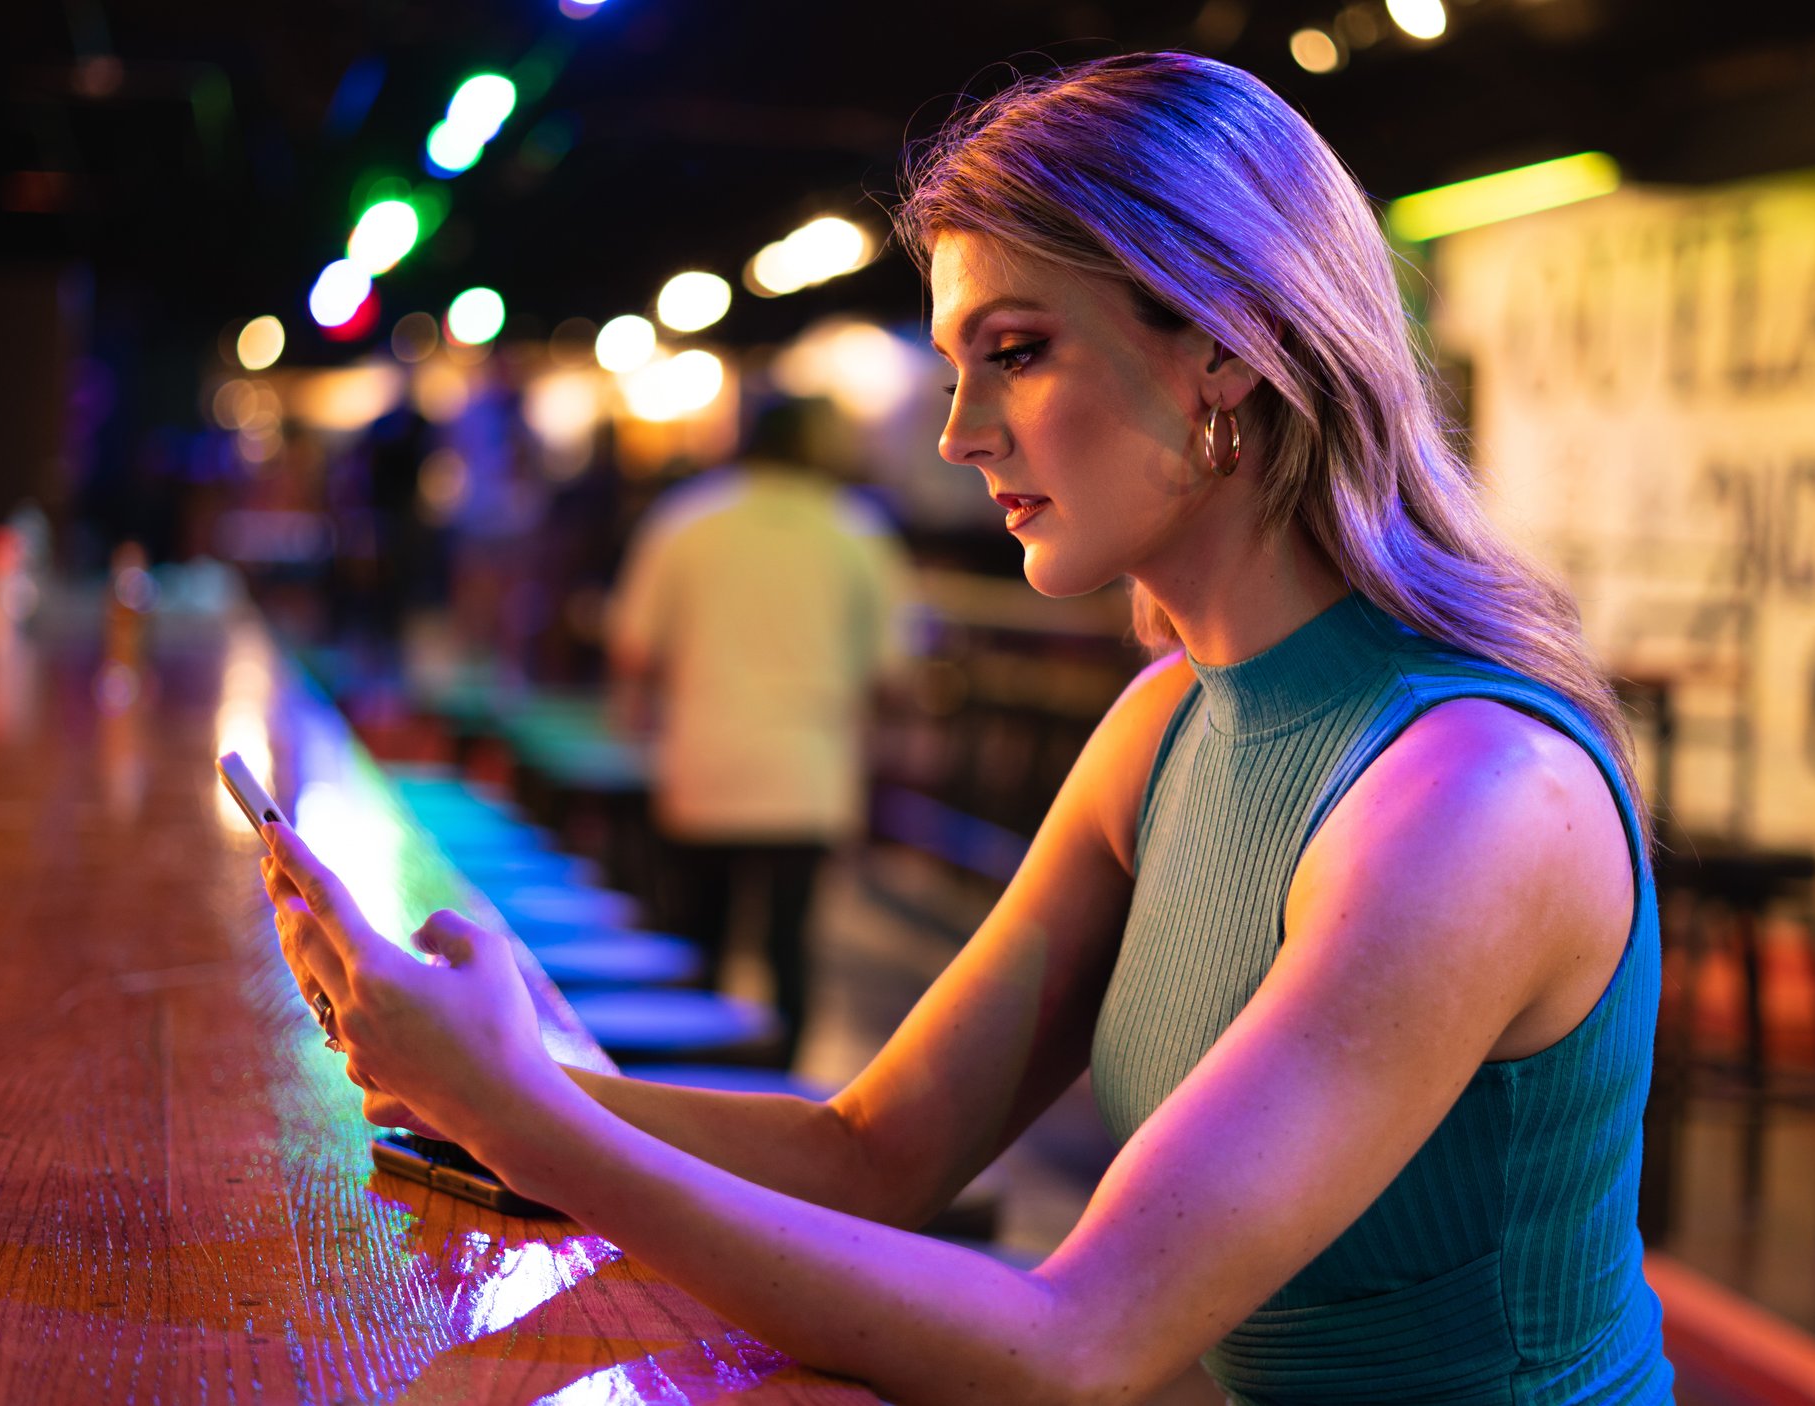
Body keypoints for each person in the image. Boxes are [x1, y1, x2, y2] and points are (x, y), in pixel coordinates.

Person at [261, 51, 1672, 1404]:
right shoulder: (1170, 722)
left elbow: (1075, 1347)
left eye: (1017, 351)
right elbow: (875, 1153)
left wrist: (530, 1120)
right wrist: (485, 1075)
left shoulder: (1471, 796)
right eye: (956, 362)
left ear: (1224, 350)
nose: (959, 431)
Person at [606, 397, 913, 1062]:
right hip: (809, 775)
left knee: (695, 945)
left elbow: (633, 648)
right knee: (789, 949)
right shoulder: (859, 531)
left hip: (703, 765)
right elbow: (894, 671)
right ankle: (777, 1106)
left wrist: (640, 719)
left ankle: (676, 1105)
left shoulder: (687, 519)